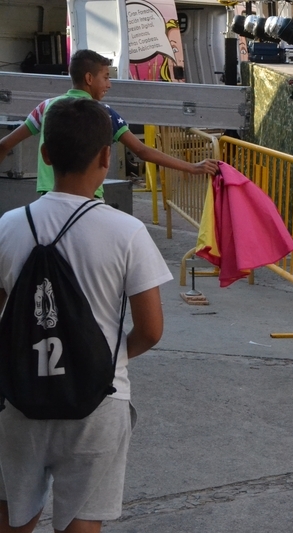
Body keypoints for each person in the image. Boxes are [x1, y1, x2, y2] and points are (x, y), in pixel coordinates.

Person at [0, 97, 173, 532]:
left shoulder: (8, 225)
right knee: (82, 521)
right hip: (98, 400)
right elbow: (151, 330)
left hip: (18, 397)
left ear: (44, 155)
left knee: (12, 515)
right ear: (106, 157)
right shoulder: (127, 232)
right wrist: (108, 356)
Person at [0, 49, 218, 198]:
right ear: (89, 78)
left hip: (49, 198)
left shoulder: (46, 107)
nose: (109, 84)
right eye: (105, 77)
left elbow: (4, 145)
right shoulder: (103, 114)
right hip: (88, 200)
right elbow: (142, 151)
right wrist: (192, 167)